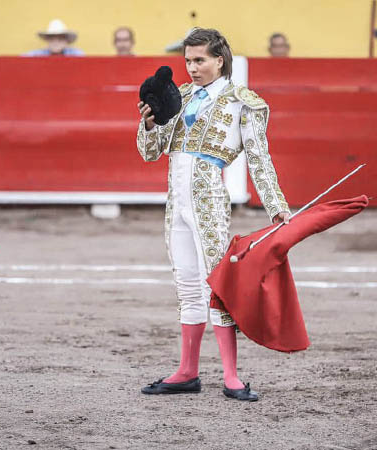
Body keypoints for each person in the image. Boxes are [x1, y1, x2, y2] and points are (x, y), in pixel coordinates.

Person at [136, 28, 290, 401]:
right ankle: (187, 371)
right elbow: (151, 153)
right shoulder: (179, 96)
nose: (192, 68)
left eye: (199, 60)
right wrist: (149, 124)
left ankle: (232, 377)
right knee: (187, 285)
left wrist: (276, 206)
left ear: (219, 60)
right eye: (188, 61)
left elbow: (259, 159)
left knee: (217, 287)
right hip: (176, 202)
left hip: (209, 201)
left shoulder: (243, 102)